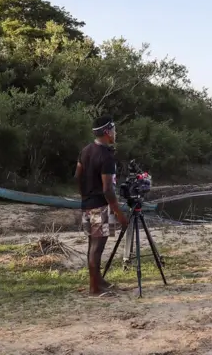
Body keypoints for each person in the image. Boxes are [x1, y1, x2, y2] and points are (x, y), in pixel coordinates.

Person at [74, 115, 129, 296]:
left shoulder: (85, 151)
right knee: (97, 248)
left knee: (92, 244)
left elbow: (78, 177)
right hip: (100, 206)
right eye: (113, 130)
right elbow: (108, 189)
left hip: (87, 204)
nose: (115, 133)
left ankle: (99, 281)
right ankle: (94, 288)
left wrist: (85, 197)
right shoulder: (106, 157)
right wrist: (119, 213)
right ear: (107, 132)